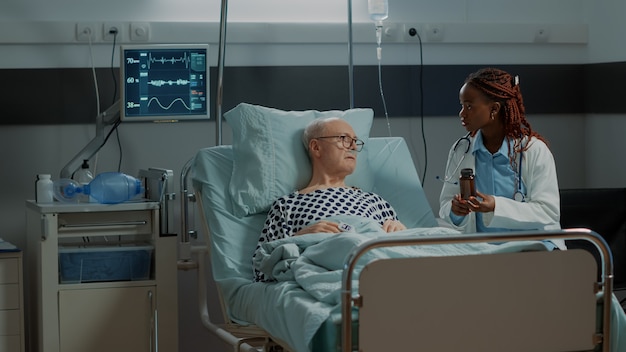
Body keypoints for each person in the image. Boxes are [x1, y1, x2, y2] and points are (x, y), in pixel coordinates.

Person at [253, 117, 406, 282]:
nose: (354, 147)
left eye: (355, 141)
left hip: (380, 262)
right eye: (344, 139)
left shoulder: (375, 201)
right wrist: (299, 237)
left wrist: (402, 232)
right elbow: (262, 269)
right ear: (316, 147)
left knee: (436, 235)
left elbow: (408, 251)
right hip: (337, 269)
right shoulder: (287, 205)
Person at [438, 67, 565, 249]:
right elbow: (446, 204)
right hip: (483, 250)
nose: (462, 113)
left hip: (532, 247)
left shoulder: (534, 150)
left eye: (469, 106)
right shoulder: (461, 150)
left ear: (494, 109)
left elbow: (548, 212)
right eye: (461, 106)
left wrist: (495, 206)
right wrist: (455, 211)